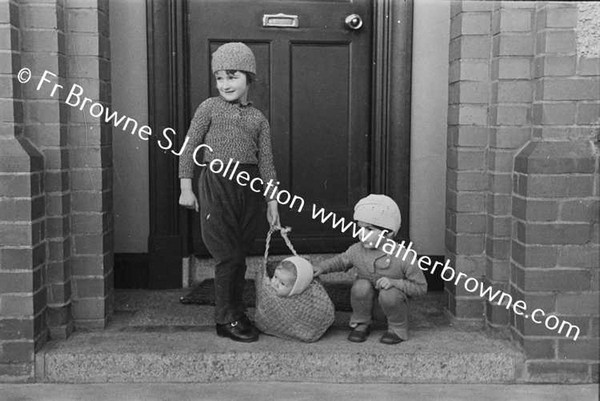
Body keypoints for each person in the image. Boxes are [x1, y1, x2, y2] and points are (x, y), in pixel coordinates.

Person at [178, 42, 280, 343]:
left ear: (249, 77)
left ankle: (237, 312)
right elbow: (187, 148)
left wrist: (272, 201)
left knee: (240, 254)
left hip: (248, 190)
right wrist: (186, 187)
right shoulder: (209, 108)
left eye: (232, 76)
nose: (225, 84)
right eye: (220, 77)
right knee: (228, 256)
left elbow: (267, 164)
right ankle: (225, 319)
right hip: (216, 186)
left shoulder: (258, 119)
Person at [313, 194, 427, 344]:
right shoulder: (357, 250)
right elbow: (341, 261)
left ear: (389, 233)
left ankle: (397, 329)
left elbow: (421, 287)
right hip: (365, 304)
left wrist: (395, 283)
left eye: (369, 229)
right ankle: (361, 324)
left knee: (390, 294)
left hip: (391, 305)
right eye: (360, 228)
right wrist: (321, 267)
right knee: (361, 285)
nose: (362, 234)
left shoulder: (403, 257)